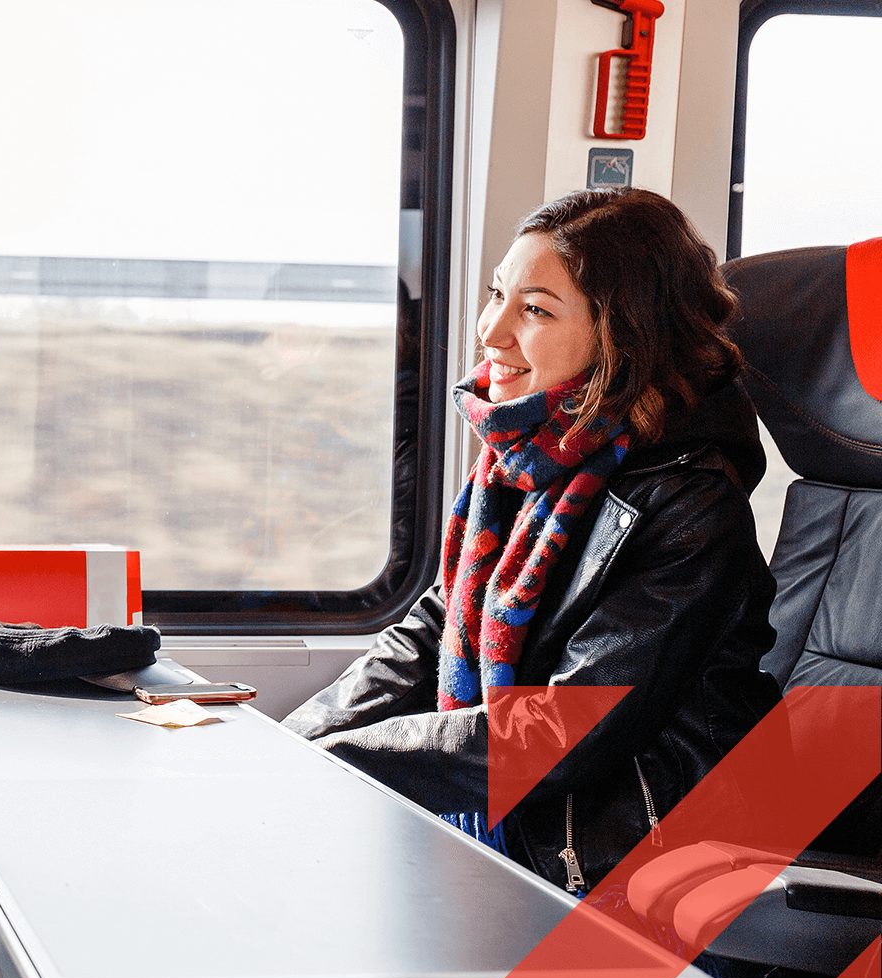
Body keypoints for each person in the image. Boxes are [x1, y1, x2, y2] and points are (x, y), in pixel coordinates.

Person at [283, 189, 782, 910]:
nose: (491, 332)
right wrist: (294, 743)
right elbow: (432, 632)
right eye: (496, 295)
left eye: (536, 310)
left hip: (635, 871)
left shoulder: (691, 505)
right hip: (530, 844)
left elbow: (564, 732)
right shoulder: (530, 459)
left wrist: (344, 760)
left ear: (622, 335)